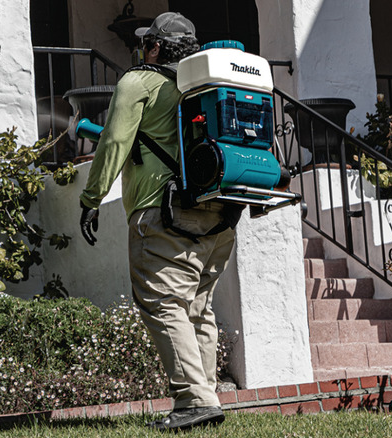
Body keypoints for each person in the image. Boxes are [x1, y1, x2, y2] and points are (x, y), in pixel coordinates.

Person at [78, 12, 235, 431]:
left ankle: (193, 400)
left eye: (147, 42)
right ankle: (207, 398)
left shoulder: (138, 82)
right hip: (219, 217)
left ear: (155, 48)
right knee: (198, 310)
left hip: (163, 215)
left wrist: (92, 199)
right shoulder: (201, 87)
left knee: (164, 303)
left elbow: (114, 141)